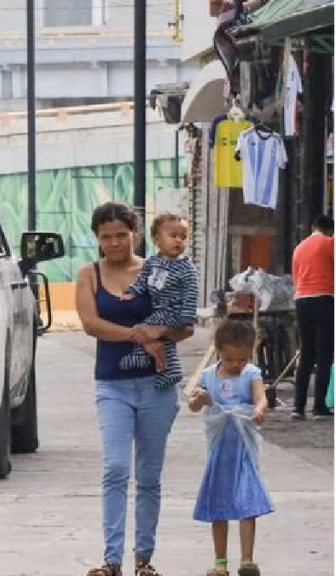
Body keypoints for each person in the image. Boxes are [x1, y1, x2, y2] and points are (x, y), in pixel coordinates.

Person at [75, 202, 194, 576]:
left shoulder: (159, 268)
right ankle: (112, 560)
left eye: (121, 235)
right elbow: (91, 324)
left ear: (136, 235)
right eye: (106, 237)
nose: (114, 243)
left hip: (157, 385)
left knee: (149, 476)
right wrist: (140, 336)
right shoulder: (89, 274)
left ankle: (144, 560)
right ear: (97, 238)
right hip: (113, 385)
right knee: (115, 469)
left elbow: (185, 325)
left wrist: (161, 332)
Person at [188, 318, 273, 576]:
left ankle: (247, 560)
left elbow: (261, 398)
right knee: (218, 504)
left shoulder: (251, 374)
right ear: (218, 351)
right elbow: (194, 404)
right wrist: (201, 399)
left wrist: (259, 409)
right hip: (219, 451)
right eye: (229, 360)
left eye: (242, 359)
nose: (236, 364)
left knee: (248, 503)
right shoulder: (208, 376)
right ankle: (220, 562)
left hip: (243, 450)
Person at [118, 213, 198, 389]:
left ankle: (139, 355)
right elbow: (142, 281)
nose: (178, 241)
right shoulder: (152, 262)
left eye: (183, 237)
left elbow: (191, 294)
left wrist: (187, 318)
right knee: (165, 342)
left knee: (142, 328)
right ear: (157, 239)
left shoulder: (187, 268)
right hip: (158, 309)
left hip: (173, 312)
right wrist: (133, 292)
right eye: (173, 236)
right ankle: (170, 372)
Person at [290, 213, 334, 420]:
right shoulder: (329, 243)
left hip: (302, 300)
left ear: (313, 227)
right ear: (329, 230)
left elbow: (296, 278)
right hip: (324, 298)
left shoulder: (299, 248)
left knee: (306, 354)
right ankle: (319, 407)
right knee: (325, 353)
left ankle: (297, 407)